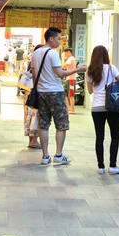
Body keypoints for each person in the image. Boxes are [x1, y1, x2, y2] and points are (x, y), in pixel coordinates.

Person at [31, 27, 86, 166]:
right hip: (55, 92)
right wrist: (79, 69)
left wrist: (38, 88)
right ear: (51, 38)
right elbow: (60, 74)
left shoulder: (35, 53)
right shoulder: (52, 53)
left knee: (43, 124)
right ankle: (59, 155)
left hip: (41, 92)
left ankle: (45, 156)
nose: (60, 41)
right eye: (58, 38)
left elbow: (34, 75)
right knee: (61, 124)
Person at [86, 45, 119, 175]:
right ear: (105, 55)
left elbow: (90, 91)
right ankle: (113, 165)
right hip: (111, 107)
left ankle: (101, 167)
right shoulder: (111, 68)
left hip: (96, 108)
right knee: (115, 136)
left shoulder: (90, 71)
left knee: (99, 137)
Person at [17, 46, 40, 148]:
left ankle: (31, 140)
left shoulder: (32, 60)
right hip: (35, 92)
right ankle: (34, 140)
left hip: (29, 92)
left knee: (28, 116)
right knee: (34, 116)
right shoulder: (38, 61)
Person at [62, 46, 77, 114]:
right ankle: (68, 107)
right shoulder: (70, 59)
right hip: (69, 78)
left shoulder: (71, 58)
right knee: (64, 93)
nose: (64, 54)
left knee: (71, 94)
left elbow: (63, 66)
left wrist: (62, 58)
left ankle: (72, 109)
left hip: (71, 79)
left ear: (68, 52)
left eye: (65, 53)